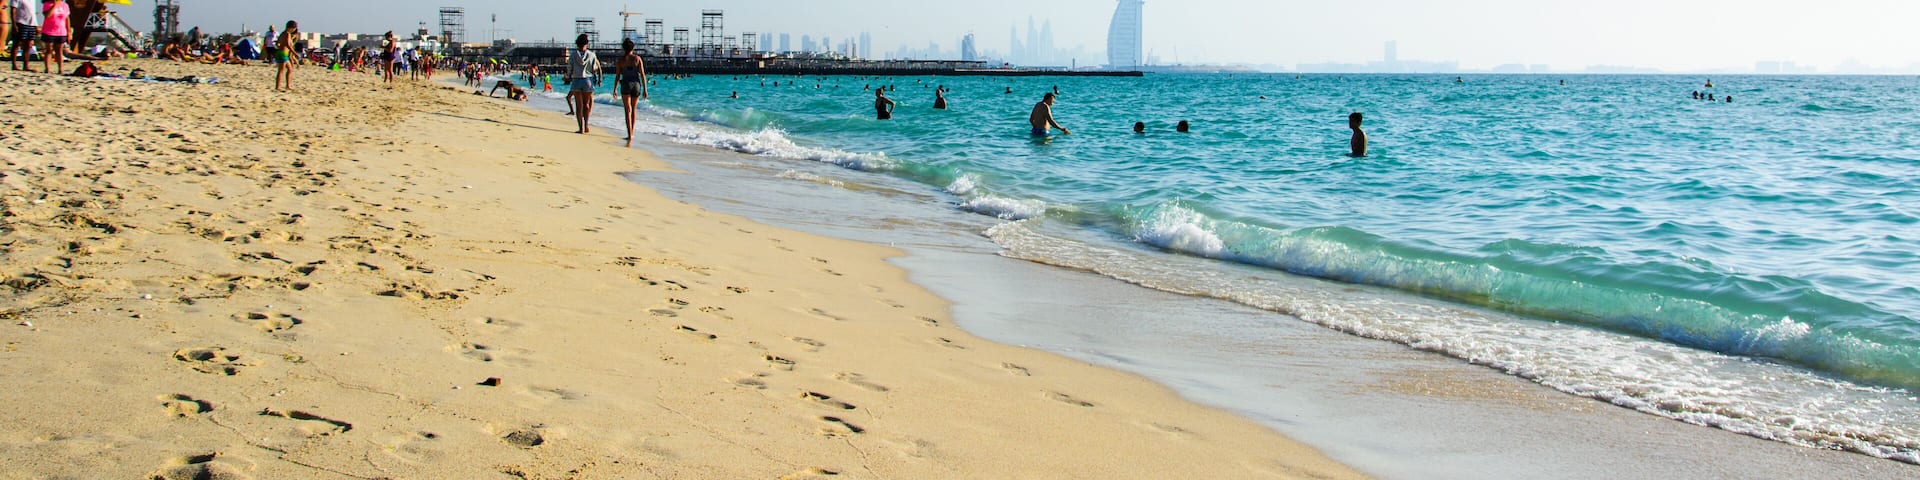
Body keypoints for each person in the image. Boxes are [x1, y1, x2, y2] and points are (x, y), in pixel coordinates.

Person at [616, 38, 648, 147]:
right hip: (636, 84)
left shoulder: (621, 60)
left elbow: (617, 75)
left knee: (627, 110)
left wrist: (614, 89)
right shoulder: (637, 59)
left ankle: (629, 133)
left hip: (625, 83)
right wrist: (645, 90)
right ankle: (632, 133)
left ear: (623, 48)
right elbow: (643, 74)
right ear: (633, 48)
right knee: (633, 109)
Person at [566, 33, 601, 135]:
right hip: (588, 80)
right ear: (587, 43)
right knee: (586, 104)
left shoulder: (573, 55)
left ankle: (580, 128)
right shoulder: (592, 55)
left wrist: (569, 75)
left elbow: (569, 68)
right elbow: (595, 69)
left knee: (578, 105)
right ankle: (586, 125)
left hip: (576, 79)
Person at [7, 0, 38, 72]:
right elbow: (13, 10)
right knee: (17, 44)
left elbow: (33, 11)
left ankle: (26, 66)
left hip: (31, 24)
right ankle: (14, 65)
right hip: (20, 22)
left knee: (28, 45)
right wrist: (14, 24)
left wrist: (36, 25)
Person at [274, 21, 297, 92]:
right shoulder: (287, 34)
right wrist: (295, 53)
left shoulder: (282, 33)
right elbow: (288, 45)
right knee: (281, 71)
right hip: (282, 54)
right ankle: (277, 87)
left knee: (290, 69)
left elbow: (277, 43)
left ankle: (288, 85)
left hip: (282, 53)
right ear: (292, 28)